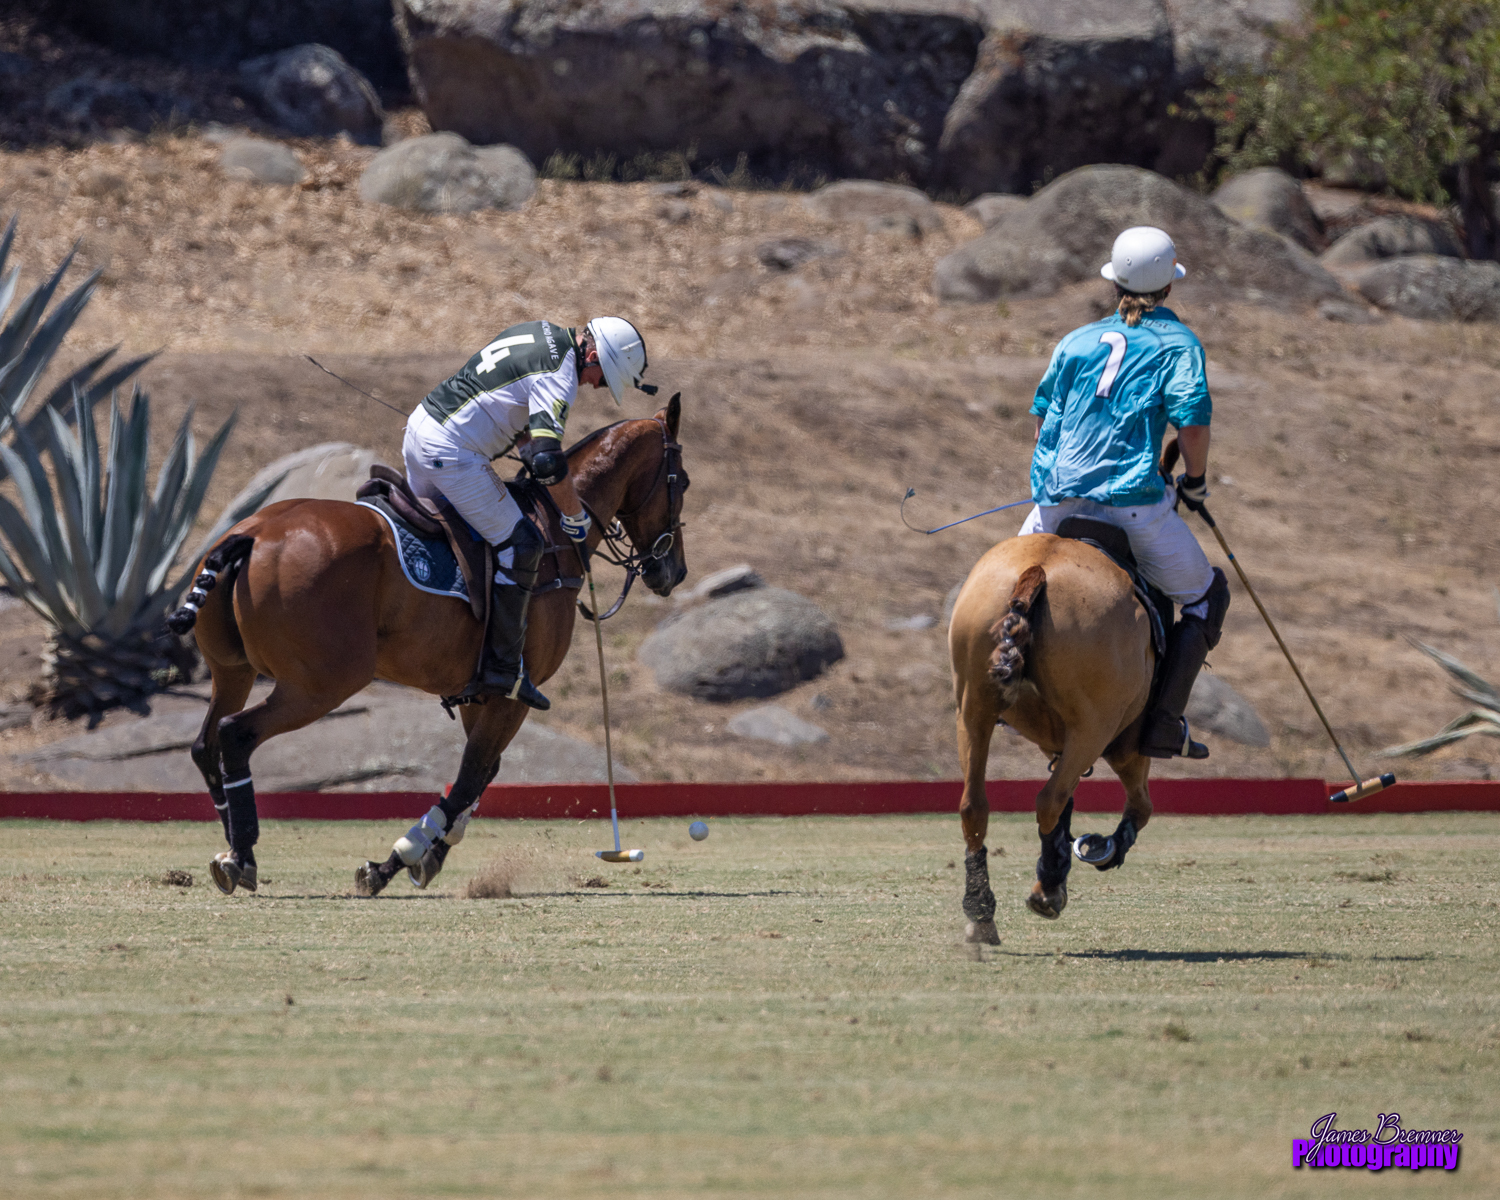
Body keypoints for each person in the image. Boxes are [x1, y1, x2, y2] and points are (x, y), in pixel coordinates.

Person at [1021, 226, 1230, 759]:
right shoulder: (1178, 343)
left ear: (1114, 283)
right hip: (1132, 507)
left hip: (1054, 504)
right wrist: (1196, 482)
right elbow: (1192, 427)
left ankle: (1002, 690)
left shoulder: (1075, 341)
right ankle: (1163, 723)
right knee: (1208, 597)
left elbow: (1043, 424)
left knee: (1007, 589)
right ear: (1169, 286)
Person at [402, 316, 654, 711]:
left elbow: (515, 409)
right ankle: (503, 668)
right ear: (592, 357)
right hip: (452, 455)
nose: (595, 386)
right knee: (522, 545)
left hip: (422, 428)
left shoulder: (538, 331)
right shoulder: (561, 374)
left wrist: (528, 452)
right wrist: (574, 516)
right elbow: (550, 461)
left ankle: (445, 645)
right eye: (603, 379)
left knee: (452, 539)